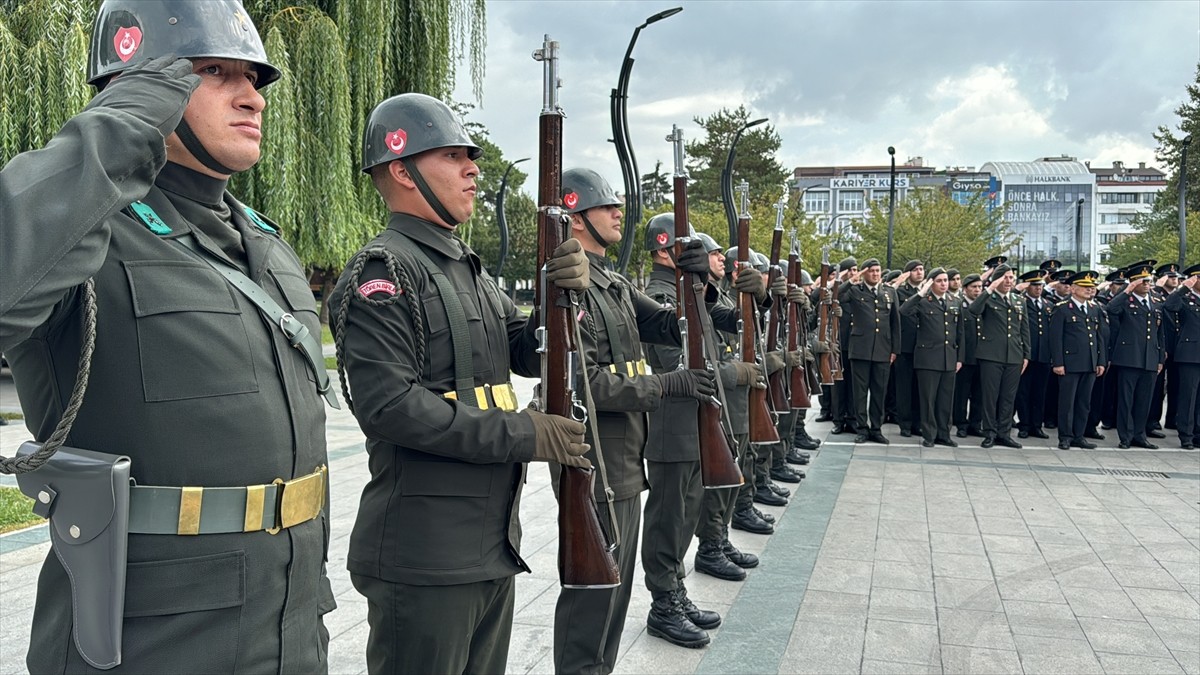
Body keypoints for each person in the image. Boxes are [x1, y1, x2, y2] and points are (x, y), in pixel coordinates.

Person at [1, 2, 339, 671]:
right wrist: (118, 124)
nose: (252, 97)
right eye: (216, 72)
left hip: (291, 624)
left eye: (253, 78)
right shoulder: (85, 237)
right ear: (142, 83)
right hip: (154, 640)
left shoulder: (267, 247)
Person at [330, 93, 592, 674]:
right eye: (452, 156)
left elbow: (522, 350)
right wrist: (525, 434)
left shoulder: (466, 267)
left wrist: (561, 298)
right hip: (426, 554)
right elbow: (390, 407)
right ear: (403, 170)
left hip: (489, 545)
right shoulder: (385, 270)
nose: (473, 168)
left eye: (470, 156)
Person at [552, 171, 742, 671]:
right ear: (576, 217)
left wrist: (698, 285)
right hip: (595, 458)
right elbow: (584, 383)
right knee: (594, 594)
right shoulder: (572, 285)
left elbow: (667, 325)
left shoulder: (611, 283)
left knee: (612, 593)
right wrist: (666, 385)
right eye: (606, 206)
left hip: (624, 456)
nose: (619, 212)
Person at [1106, 261, 1167, 449]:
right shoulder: (1125, 301)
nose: (1147, 284)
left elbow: (1160, 333)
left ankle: (1140, 435)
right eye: (1143, 281)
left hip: (1150, 358)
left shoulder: (1156, 302)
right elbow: (1111, 309)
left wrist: (1160, 358)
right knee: (1126, 400)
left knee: (1144, 400)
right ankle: (1125, 436)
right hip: (1129, 358)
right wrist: (1127, 290)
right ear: (1133, 282)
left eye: (1149, 281)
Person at [968, 263, 1030, 448]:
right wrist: (989, 289)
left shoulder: (1019, 300)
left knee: (1008, 397)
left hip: (1014, 355)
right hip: (991, 355)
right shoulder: (988, 298)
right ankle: (989, 432)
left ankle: (1004, 433)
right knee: (990, 396)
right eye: (1005, 277)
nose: (1009, 281)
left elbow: (1024, 329)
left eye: (1011, 277)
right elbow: (973, 310)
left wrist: (1026, 354)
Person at [899, 268, 962, 447]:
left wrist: (959, 358)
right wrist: (921, 292)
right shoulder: (923, 301)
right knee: (928, 400)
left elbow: (960, 333)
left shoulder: (955, 301)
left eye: (945, 280)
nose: (944, 284)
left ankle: (944, 434)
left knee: (945, 400)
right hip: (928, 358)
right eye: (939, 281)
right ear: (931, 283)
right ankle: (929, 435)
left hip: (948, 357)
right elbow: (903, 310)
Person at [839, 258, 900, 444]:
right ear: (864, 272)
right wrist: (850, 280)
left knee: (879, 392)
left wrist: (895, 349)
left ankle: (876, 428)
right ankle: (862, 428)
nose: (875, 274)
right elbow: (836, 296)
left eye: (877, 270)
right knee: (860, 393)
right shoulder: (855, 291)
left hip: (883, 349)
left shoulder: (889, 292)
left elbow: (895, 322)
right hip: (860, 349)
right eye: (871, 271)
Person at [1048, 271, 1107, 450]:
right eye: (1085, 287)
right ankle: (1065, 436)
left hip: (1089, 362)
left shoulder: (1094, 308)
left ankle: (1079, 435)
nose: (1090, 290)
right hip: (1070, 363)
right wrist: (1058, 362)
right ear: (1073, 289)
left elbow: (1099, 337)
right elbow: (1055, 338)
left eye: (1091, 287)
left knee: (1084, 402)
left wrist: (1100, 361)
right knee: (1067, 402)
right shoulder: (1062, 308)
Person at [1162, 264, 1200, 449]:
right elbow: (1168, 306)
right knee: (1188, 396)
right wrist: (1184, 288)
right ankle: (1186, 434)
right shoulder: (1185, 298)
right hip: (1190, 355)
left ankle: (1198, 433)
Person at [1016, 270, 1052, 439]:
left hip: (1043, 355)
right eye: (1034, 285)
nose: (1038, 288)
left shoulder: (1047, 304)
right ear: (1027, 286)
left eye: (1040, 285)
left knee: (1040, 392)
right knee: (1024, 392)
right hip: (1026, 355)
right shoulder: (1020, 303)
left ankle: (1036, 426)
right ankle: (1024, 425)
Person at [893, 260, 925, 437]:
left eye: (921, 269)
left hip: (924, 346)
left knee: (919, 388)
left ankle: (917, 423)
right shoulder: (900, 292)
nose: (919, 272)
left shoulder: (927, 292)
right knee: (904, 387)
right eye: (915, 270)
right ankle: (905, 424)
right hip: (905, 346)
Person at [954, 274, 985, 438]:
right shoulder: (959, 305)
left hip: (982, 357)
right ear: (965, 289)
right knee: (962, 394)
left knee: (979, 394)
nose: (977, 290)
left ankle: (975, 424)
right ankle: (961, 424)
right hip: (965, 358)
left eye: (980, 287)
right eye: (974, 287)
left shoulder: (985, 305)